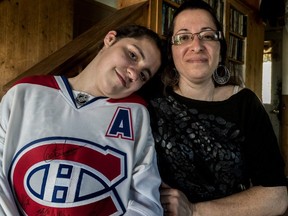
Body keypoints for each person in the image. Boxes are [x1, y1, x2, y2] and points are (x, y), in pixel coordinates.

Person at [0, 24, 164, 216]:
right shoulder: (25, 92)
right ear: (110, 39)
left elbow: (147, 203)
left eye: (143, 75)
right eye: (133, 55)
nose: (134, 74)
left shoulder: (136, 114)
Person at [148, 1, 288, 216]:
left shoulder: (245, 103)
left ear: (220, 47)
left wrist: (194, 210)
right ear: (171, 50)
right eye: (184, 37)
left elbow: (276, 196)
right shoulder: (151, 97)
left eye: (207, 35)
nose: (197, 45)